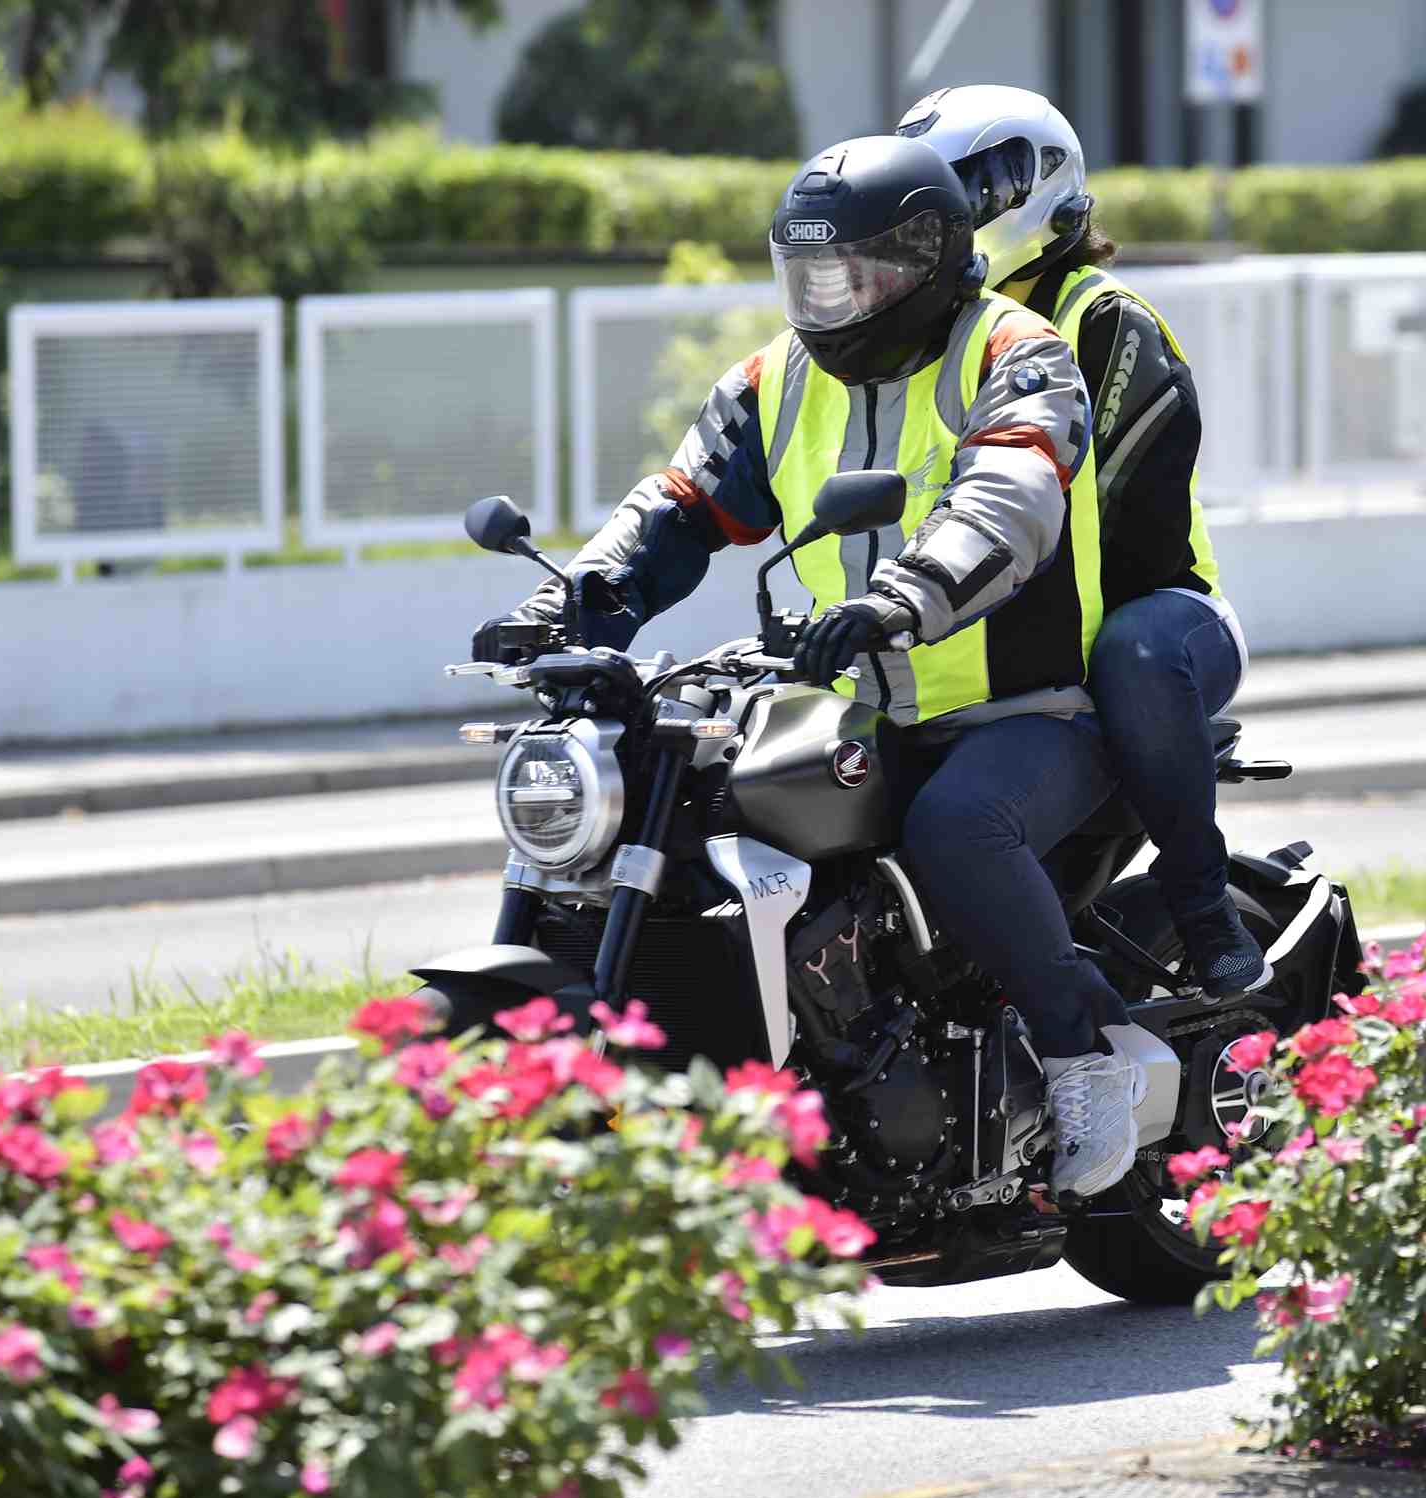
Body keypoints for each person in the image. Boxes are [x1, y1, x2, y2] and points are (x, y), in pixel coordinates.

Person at [471, 136, 1148, 1199]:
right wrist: (571, 603)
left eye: (860, 272)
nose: (835, 298)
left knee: (958, 826)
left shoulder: (1014, 351)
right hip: (850, 708)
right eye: (814, 275)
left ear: (931, 257)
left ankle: (1082, 1058)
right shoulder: (774, 379)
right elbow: (679, 507)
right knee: (701, 804)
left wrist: (900, 599)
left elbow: (1008, 500)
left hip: (1022, 707)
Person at [897, 85, 1269, 1000]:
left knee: (1131, 652)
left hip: (1164, 612)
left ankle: (1204, 907)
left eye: (968, 190)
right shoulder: (928, 334)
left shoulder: (1104, 320)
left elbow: (1123, 525)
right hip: (995, 622)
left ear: (1039, 185)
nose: (949, 217)